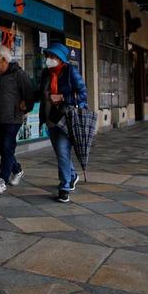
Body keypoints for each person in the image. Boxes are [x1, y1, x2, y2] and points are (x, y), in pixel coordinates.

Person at [37, 43, 88, 203]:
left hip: (66, 118)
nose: (49, 60)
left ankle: (64, 187)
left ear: (60, 58)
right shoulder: (46, 73)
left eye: (52, 57)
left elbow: (83, 94)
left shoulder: (70, 71)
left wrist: (63, 98)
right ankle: (72, 176)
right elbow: (40, 93)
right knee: (61, 153)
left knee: (62, 150)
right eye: (48, 56)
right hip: (50, 117)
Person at [0, 45, 34, 194]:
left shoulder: (19, 75)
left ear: (3, 59)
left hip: (13, 118)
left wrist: (25, 107)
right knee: (0, 146)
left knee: (7, 146)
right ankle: (17, 169)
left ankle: (2, 180)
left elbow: (29, 95)